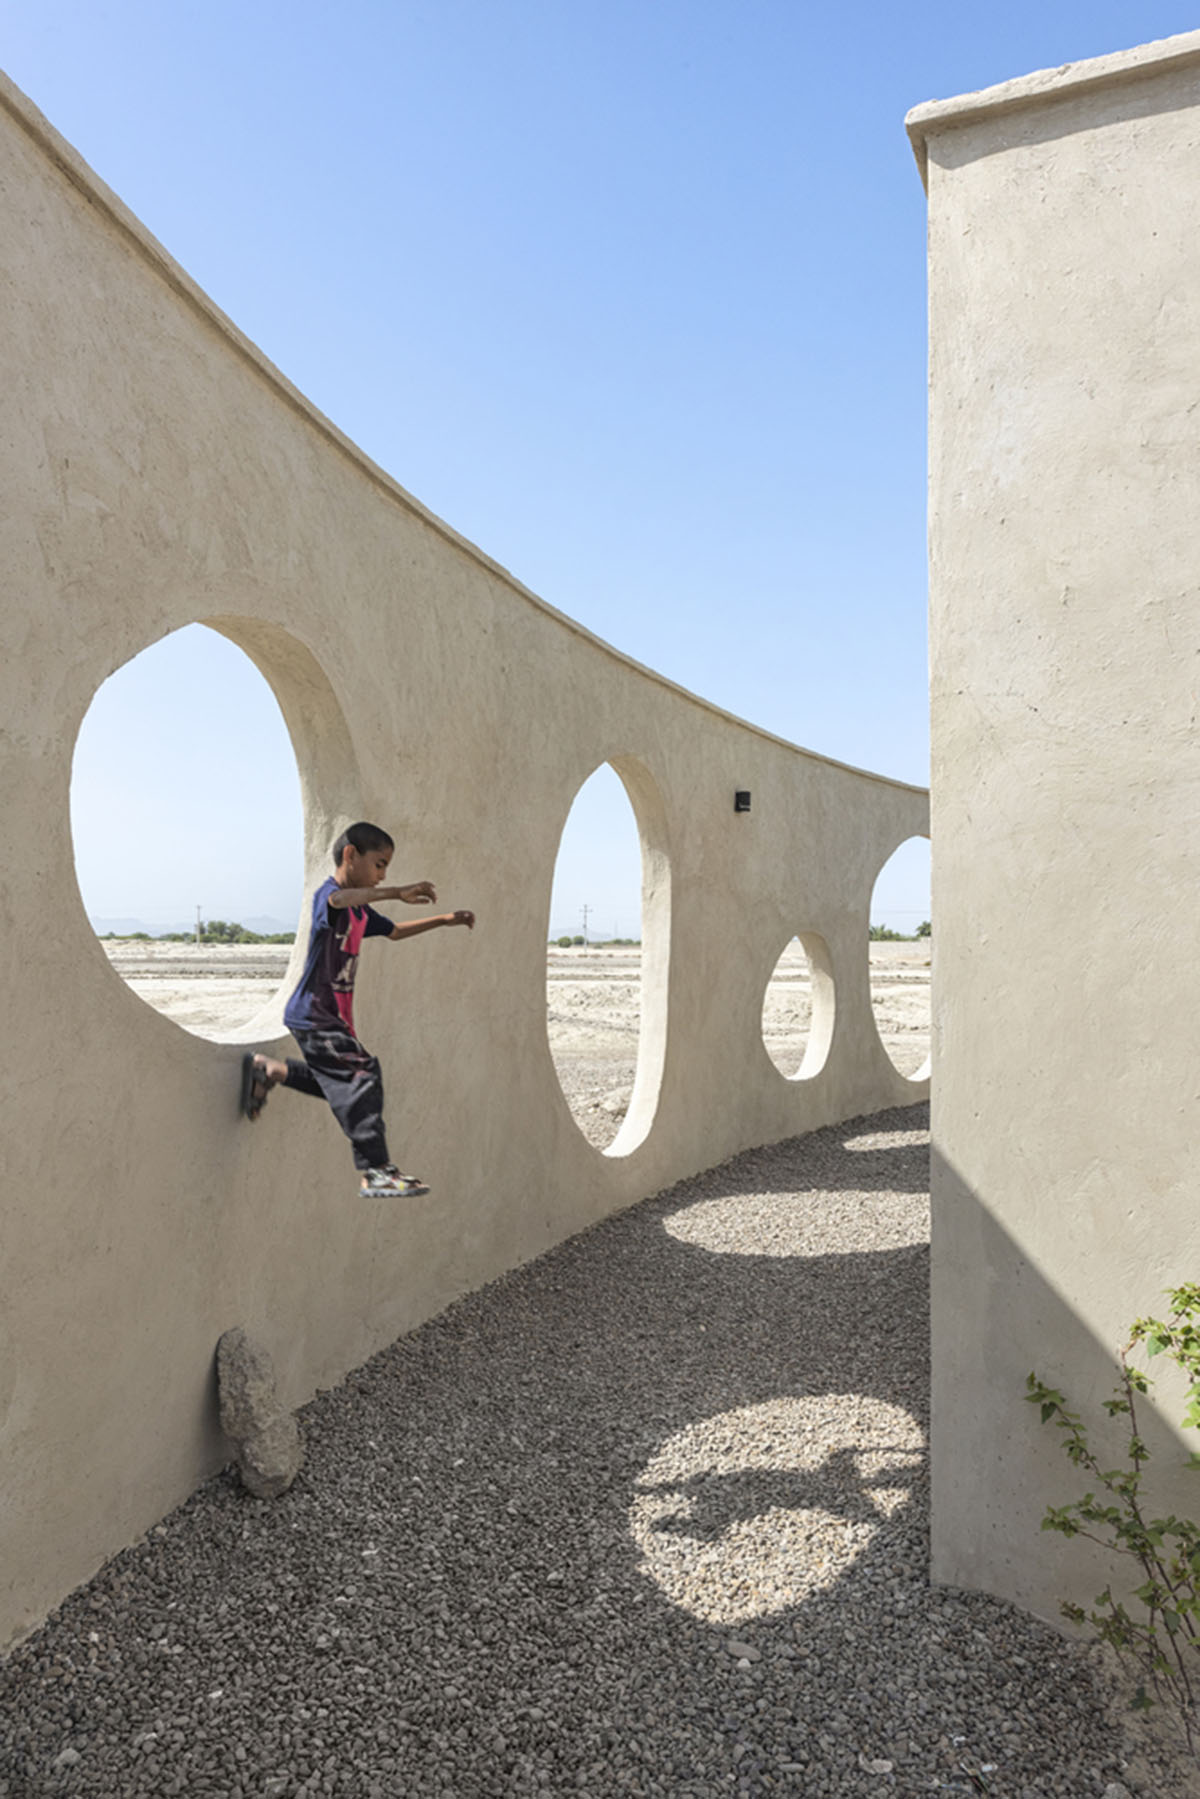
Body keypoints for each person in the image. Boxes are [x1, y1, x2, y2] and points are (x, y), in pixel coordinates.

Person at [241, 821, 474, 1198]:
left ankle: (270, 1070)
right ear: (350, 854)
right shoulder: (329, 896)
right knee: (360, 1076)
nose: (383, 876)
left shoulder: (362, 913)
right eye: (379, 864)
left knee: (348, 1083)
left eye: (387, 869)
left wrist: (445, 920)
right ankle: (376, 1171)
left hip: (333, 1020)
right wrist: (396, 892)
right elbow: (336, 903)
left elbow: (395, 932)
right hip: (314, 1014)